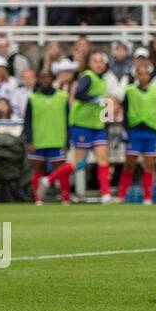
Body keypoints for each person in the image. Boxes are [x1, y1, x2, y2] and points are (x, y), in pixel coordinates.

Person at [68, 50, 114, 203]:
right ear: (89, 63)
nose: (99, 64)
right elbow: (79, 94)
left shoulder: (103, 80)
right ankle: (49, 180)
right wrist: (96, 99)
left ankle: (106, 194)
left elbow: (104, 104)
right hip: (82, 124)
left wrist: (106, 118)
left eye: (102, 61)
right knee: (79, 163)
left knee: (103, 158)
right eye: (96, 61)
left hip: (97, 125)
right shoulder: (87, 77)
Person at [117, 55, 156, 204]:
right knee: (129, 165)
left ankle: (148, 197)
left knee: (149, 165)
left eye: (145, 73)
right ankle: (122, 195)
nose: (143, 76)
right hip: (135, 131)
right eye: (140, 73)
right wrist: (125, 129)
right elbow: (124, 111)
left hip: (151, 131)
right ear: (136, 75)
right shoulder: (130, 91)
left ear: (149, 75)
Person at [24, 68, 72, 205]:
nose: (45, 80)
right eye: (42, 77)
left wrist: (67, 141)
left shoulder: (62, 97)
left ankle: (65, 198)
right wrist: (29, 139)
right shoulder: (32, 98)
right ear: (38, 80)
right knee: (37, 168)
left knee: (61, 169)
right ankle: (38, 198)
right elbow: (27, 121)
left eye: (48, 77)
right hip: (38, 140)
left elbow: (68, 119)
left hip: (57, 139)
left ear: (52, 79)